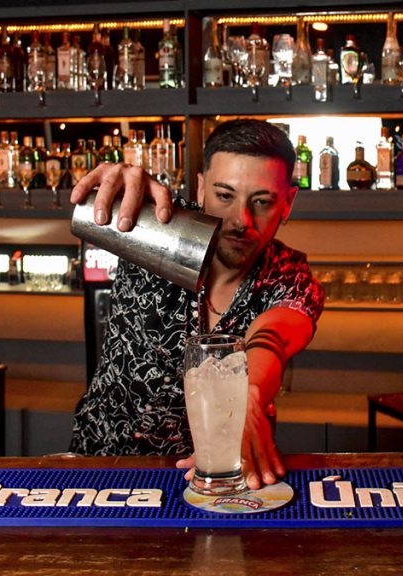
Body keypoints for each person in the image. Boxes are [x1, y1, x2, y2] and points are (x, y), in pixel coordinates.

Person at [68, 119, 324, 490]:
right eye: (225, 195)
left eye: (262, 201)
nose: (241, 220)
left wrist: (248, 394)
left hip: (217, 479)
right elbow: (90, 206)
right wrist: (116, 180)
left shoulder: (290, 275)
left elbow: (275, 335)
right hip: (102, 465)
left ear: (288, 203)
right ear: (202, 188)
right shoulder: (157, 224)